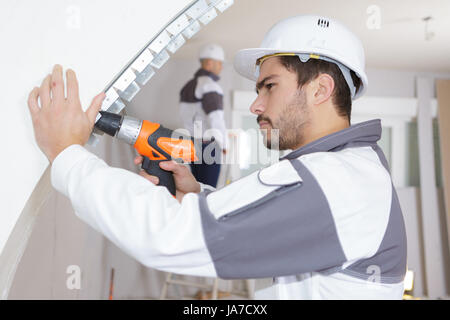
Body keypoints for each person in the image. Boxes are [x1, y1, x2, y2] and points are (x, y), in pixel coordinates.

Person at [28, 15, 407, 299]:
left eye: (269, 86)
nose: (257, 105)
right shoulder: (349, 172)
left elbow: (169, 237)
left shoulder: (337, 182)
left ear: (321, 89)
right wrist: (196, 200)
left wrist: (67, 155)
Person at [179, 43, 227, 188]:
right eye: (220, 64)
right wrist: (224, 143)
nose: (221, 68)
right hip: (208, 146)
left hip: (192, 145)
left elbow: (186, 117)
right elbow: (216, 117)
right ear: (210, 63)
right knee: (208, 190)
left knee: (196, 187)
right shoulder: (209, 85)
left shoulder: (187, 86)